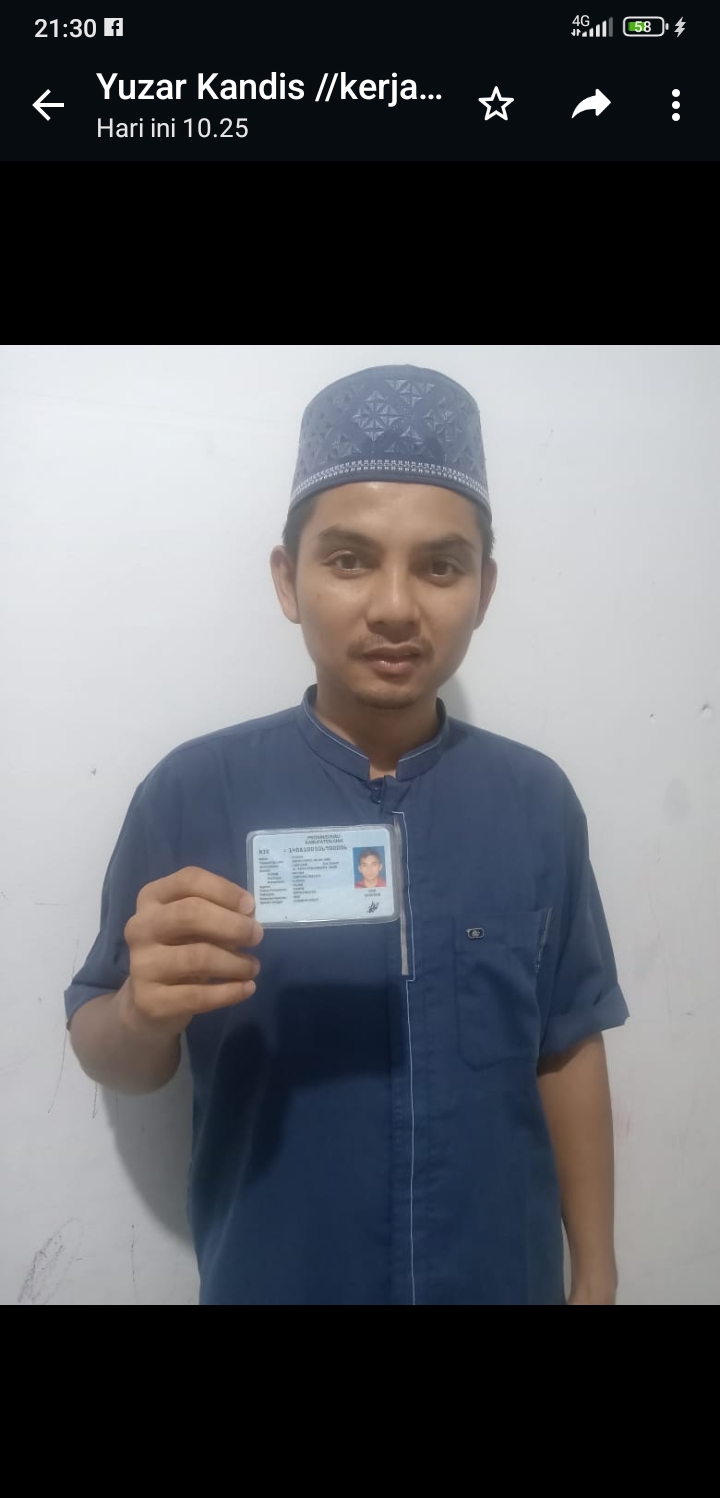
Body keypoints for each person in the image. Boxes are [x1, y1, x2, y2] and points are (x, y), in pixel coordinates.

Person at [65, 363, 629, 1305]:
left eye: (440, 565)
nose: (396, 606)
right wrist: (137, 1016)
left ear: (484, 588)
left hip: (500, 1279)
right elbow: (105, 1046)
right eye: (350, 559)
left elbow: (568, 1043)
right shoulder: (193, 794)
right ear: (288, 579)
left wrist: (598, 1275)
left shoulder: (536, 802)